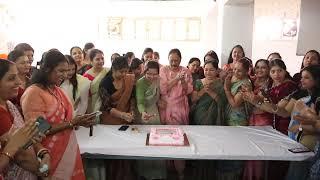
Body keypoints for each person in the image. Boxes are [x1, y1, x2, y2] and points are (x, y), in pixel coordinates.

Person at [21, 49, 97, 179]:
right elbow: (38, 128)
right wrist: (72, 123)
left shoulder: (57, 90)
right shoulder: (34, 93)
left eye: (67, 71)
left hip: (68, 149)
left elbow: (66, 119)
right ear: (46, 69)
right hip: (49, 154)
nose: (65, 75)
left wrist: (79, 121)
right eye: (61, 71)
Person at [242, 59, 297, 180]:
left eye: (279, 71)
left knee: (277, 156)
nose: (276, 74)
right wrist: (253, 100)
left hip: (281, 123)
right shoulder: (271, 86)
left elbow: (281, 110)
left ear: (285, 71)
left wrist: (255, 101)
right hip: (270, 121)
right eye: (273, 71)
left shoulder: (289, 86)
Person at [0, 59, 48, 180]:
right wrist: (43, 172)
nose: (19, 81)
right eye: (11, 78)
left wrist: (42, 151)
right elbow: (20, 155)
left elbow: (21, 139)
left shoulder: (8, 104)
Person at [98, 56, 136, 180]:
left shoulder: (129, 79)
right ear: (113, 69)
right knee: (113, 151)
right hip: (110, 120)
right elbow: (106, 107)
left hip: (126, 117)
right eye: (121, 72)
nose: (124, 74)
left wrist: (131, 111)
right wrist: (122, 115)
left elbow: (131, 98)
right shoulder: (105, 83)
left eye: (126, 71)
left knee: (126, 150)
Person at [216, 58, 252, 180]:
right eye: (235, 69)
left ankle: (233, 176)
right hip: (227, 117)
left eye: (240, 71)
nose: (236, 72)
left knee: (235, 149)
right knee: (226, 147)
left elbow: (234, 103)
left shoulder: (246, 84)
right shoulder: (233, 78)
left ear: (247, 71)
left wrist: (226, 88)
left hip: (237, 120)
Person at [159, 48, 193, 180]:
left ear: (180, 60)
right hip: (166, 108)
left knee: (179, 140)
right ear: (168, 59)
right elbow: (162, 89)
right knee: (165, 139)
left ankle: (180, 171)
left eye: (176, 60)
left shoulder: (186, 71)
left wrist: (183, 81)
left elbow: (189, 91)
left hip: (180, 109)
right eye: (171, 60)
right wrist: (175, 80)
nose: (174, 63)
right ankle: (166, 169)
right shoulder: (163, 70)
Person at [135, 61, 167, 180]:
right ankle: (145, 174)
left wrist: (160, 101)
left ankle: (158, 174)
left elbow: (161, 94)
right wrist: (143, 113)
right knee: (145, 144)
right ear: (145, 71)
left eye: (155, 74)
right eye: (149, 74)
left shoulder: (159, 80)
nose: (152, 77)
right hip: (144, 114)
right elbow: (140, 102)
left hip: (155, 113)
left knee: (158, 143)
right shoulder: (140, 82)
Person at [242, 59, 272, 180]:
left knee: (260, 151)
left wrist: (253, 99)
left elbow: (267, 105)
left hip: (263, 119)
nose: (260, 70)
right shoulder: (252, 81)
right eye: (258, 67)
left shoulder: (270, 84)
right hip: (251, 118)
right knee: (250, 149)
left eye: (263, 67)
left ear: (268, 69)